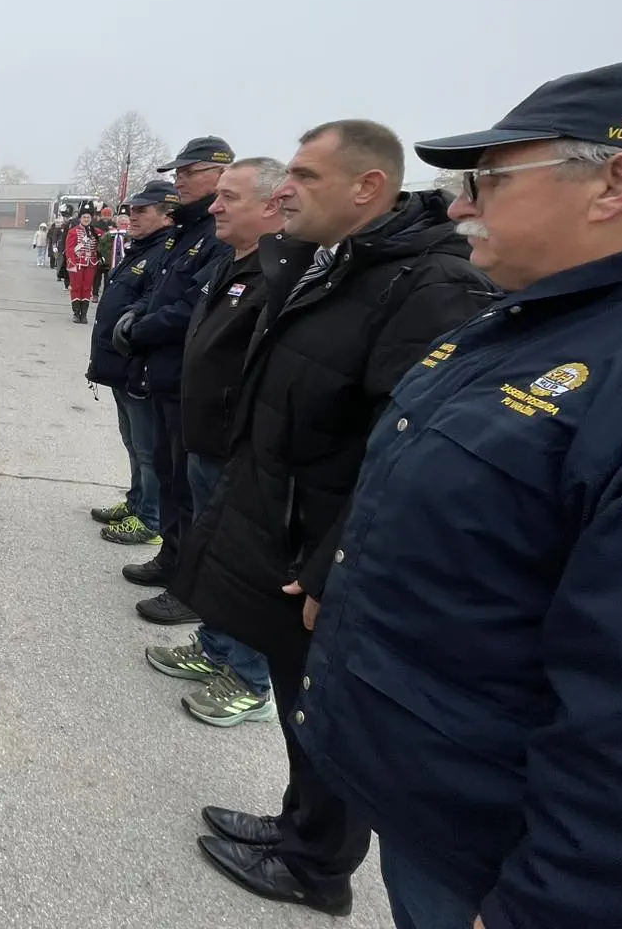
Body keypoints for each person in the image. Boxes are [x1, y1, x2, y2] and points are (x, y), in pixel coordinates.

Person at [296, 62, 622, 929]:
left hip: (504, 864)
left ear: (614, 183)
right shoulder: (520, 324)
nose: (457, 206)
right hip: (436, 805)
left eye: (486, 179)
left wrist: (549, 907)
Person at [171, 120, 495, 915]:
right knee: (300, 706)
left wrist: (331, 565)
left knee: (325, 713)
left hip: (325, 551)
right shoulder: (338, 264)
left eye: (306, 178)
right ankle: (297, 828)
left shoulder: (424, 285)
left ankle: (317, 866)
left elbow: (407, 446)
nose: (286, 189)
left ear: (368, 188)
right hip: (293, 527)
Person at [143, 158, 285, 728]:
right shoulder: (235, 262)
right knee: (213, 553)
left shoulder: (282, 274)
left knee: (241, 565)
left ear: (272, 206)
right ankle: (215, 648)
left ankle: (249, 681)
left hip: (238, 447)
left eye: (230, 197)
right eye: (217, 196)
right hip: (206, 437)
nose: (216, 207)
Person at [112, 136, 235, 614]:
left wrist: (140, 327)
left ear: (221, 174)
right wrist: (136, 316)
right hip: (161, 375)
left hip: (189, 378)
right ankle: (171, 557)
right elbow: (161, 288)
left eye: (190, 171)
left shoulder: (215, 233)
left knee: (189, 487)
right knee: (167, 474)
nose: (179, 179)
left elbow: (193, 307)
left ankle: (189, 584)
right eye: (178, 172)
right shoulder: (187, 231)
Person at [87, 181, 179, 545]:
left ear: (167, 214)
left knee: (147, 447)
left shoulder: (165, 252)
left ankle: (150, 519)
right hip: (120, 366)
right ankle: (137, 501)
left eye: (142, 211)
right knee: (132, 441)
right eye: (131, 210)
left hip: (138, 367)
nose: (131, 217)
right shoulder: (144, 248)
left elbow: (155, 306)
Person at [65, 204, 101, 322]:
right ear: (80, 218)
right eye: (84, 217)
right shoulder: (73, 232)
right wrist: (72, 263)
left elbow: (102, 245)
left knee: (87, 288)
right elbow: (70, 249)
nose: (86, 219)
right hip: (77, 263)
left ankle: (84, 314)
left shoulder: (96, 232)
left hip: (91, 264)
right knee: (76, 287)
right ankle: (76, 313)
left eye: (88, 217)